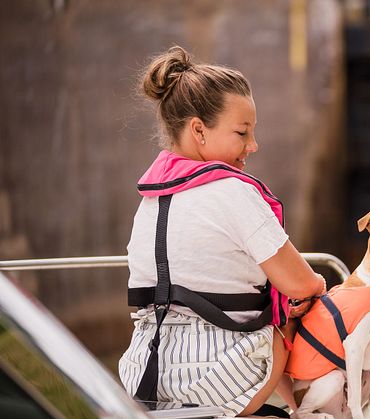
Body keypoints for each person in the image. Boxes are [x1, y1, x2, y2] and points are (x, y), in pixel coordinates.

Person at [118, 45, 325, 417]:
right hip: (220, 378)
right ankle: (313, 409)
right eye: (242, 133)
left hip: (144, 377)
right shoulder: (233, 192)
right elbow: (301, 284)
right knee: (309, 306)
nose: (253, 146)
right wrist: (313, 292)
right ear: (198, 129)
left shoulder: (150, 203)